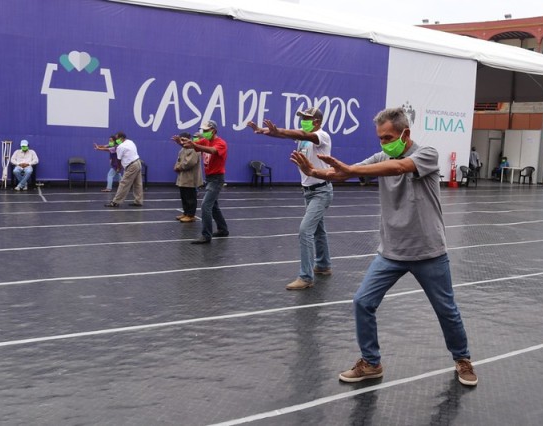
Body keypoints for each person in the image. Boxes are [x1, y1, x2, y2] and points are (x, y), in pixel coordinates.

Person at [290, 107, 477, 386]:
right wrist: (316, 171)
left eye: (388, 137)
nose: (384, 143)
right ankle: (371, 362)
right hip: (391, 251)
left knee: (446, 309)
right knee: (363, 302)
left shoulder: (427, 153)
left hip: (428, 251)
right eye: (380, 138)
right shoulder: (382, 156)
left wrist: (352, 169)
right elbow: (346, 173)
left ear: (406, 133)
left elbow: (400, 167)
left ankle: (462, 359)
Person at [247, 107, 334, 290]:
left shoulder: (321, 136)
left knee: (305, 230)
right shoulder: (304, 138)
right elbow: (289, 135)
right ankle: (324, 265)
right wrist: (266, 132)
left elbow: (300, 133)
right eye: (302, 117)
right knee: (318, 230)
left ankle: (305, 277)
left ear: (317, 121)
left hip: (321, 191)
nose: (303, 120)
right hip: (309, 191)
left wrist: (279, 130)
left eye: (307, 118)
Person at [181, 120, 229, 244]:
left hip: (217, 179)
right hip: (209, 178)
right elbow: (190, 146)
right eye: (203, 131)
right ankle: (223, 229)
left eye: (206, 131)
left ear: (214, 131)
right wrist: (182, 143)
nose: (204, 133)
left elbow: (212, 151)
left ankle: (206, 235)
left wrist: (195, 145)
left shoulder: (221, 143)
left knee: (205, 206)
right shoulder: (205, 140)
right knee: (213, 206)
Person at [104, 132, 143, 207]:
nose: (116, 140)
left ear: (121, 138)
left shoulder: (120, 147)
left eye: (117, 138)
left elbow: (119, 160)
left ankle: (115, 202)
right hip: (138, 162)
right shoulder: (130, 141)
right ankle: (138, 201)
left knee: (123, 183)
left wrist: (118, 168)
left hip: (131, 165)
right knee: (138, 184)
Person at [172, 132, 202, 222]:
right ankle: (185, 213)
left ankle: (191, 215)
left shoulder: (194, 148)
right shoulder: (183, 149)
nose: (182, 141)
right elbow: (179, 159)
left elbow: (190, 162)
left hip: (190, 176)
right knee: (184, 196)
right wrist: (176, 166)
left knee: (190, 197)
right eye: (181, 140)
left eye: (184, 139)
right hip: (183, 176)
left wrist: (179, 167)